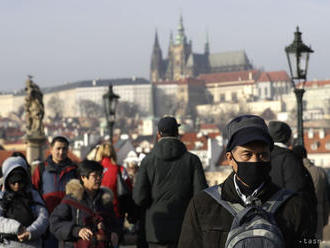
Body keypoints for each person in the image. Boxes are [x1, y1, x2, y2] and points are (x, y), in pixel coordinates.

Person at [179, 115, 316, 248]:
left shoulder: (294, 205)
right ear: (230, 159)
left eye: (262, 155)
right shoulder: (203, 204)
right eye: (247, 155)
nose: (255, 161)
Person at [133, 116, 208, 248]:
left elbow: (139, 198)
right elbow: (200, 197)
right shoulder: (192, 160)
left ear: (158, 134)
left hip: (155, 230)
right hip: (185, 228)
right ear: (177, 133)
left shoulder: (147, 161)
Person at [50, 160, 120, 248]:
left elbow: (115, 224)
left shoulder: (105, 200)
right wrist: (76, 231)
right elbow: (55, 223)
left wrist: (114, 233)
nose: (99, 178)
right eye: (94, 176)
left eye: (100, 175)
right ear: (83, 177)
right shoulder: (71, 200)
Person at [268, 121, 317, 235]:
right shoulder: (290, 159)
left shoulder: (262, 158)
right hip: (288, 225)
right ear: (287, 138)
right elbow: (299, 194)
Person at [32, 135, 78, 247]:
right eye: (58, 148)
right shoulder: (41, 168)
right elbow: (34, 192)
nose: (61, 152)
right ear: (51, 149)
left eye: (64, 149)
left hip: (68, 220)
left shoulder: (74, 170)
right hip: (47, 219)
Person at [0, 156, 49, 247]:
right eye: (13, 182)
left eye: (20, 181)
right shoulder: (2, 197)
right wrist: (17, 228)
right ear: (7, 181)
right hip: (8, 244)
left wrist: (30, 231)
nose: (17, 185)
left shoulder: (33, 195)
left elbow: (43, 216)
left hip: (32, 243)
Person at [293, 145, 330, 240]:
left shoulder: (294, 171)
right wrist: (325, 219)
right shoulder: (320, 172)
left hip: (300, 215)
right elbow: (326, 197)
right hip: (319, 213)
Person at [95, 142, 133, 222]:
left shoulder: (94, 169)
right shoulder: (120, 169)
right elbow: (129, 188)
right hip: (117, 210)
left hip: (97, 210)